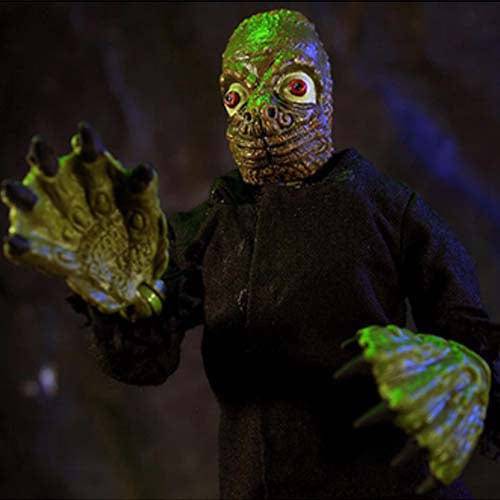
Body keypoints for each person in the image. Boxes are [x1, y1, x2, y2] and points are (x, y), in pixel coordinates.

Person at [2, 9, 499, 499]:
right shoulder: (217, 223)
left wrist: (469, 374)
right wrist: (121, 300)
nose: (259, 111)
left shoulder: (387, 210)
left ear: (325, 97)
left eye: (292, 87)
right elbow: (147, 359)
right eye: (237, 96)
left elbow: (470, 333)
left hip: (382, 480)